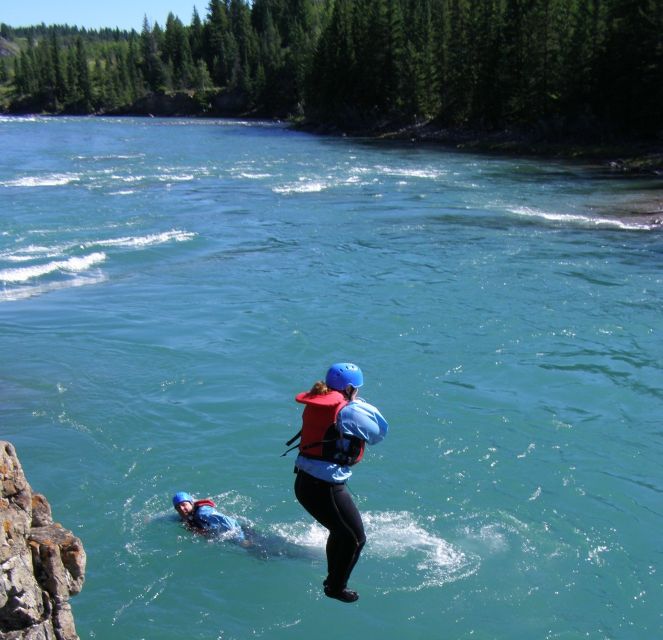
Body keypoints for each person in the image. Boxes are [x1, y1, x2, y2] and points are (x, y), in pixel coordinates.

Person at [289, 362, 388, 603]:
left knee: (340, 531)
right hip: (325, 488)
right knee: (356, 538)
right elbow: (378, 433)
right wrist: (358, 405)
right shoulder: (349, 411)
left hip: (306, 483)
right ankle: (335, 587)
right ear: (351, 388)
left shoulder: (319, 401)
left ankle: (332, 579)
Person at [172, 491, 246, 544]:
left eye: (184, 504)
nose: (181, 508)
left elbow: (229, 522)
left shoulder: (203, 512)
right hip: (235, 533)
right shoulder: (186, 515)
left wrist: (240, 539)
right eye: (178, 507)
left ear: (191, 503)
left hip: (242, 533)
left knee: (254, 551)